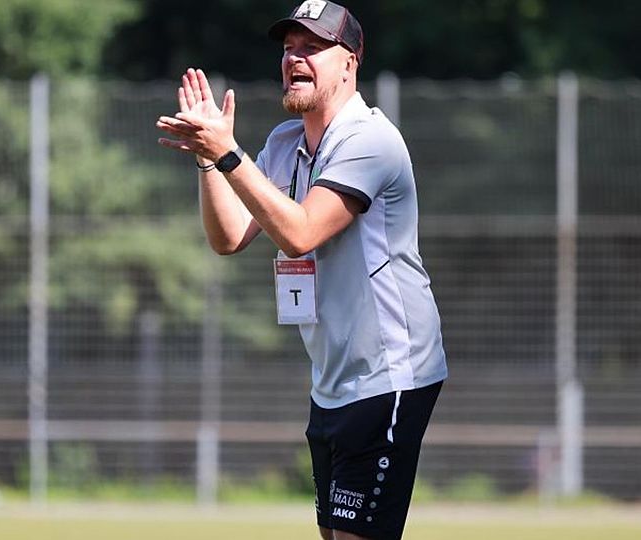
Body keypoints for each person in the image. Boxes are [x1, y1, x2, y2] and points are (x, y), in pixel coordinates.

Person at [156, 2, 447, 538]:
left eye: (312, 47)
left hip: (390, 374)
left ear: (350, 62)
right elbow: (227, 238)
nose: (295, 58)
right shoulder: (285, 144)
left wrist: (229, 154)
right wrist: (207, 158)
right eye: (289, 48)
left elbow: (300, 232)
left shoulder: (369, 140)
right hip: (332, 381)